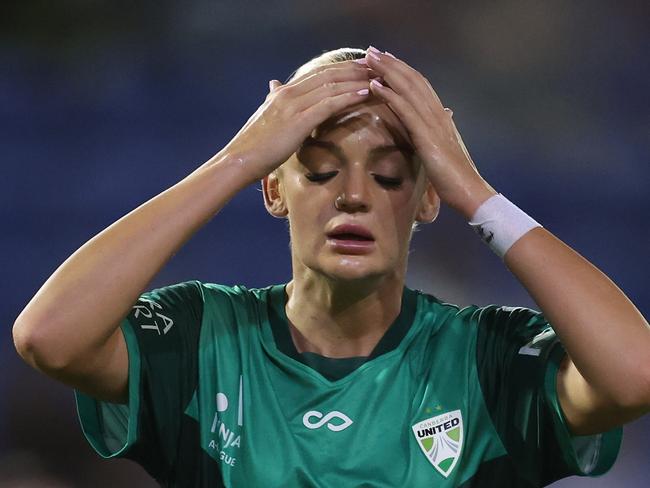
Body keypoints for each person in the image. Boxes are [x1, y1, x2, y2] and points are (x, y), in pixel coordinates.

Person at [12, 45, 650, 487]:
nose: (354, 194)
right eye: (317, 170)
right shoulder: (205, 338)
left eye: (390, 174)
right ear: (274, 189)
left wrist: (478, 196)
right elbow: (49, 336)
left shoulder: (489, 359)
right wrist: (238, 160)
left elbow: (635, 375)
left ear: (429, 197)